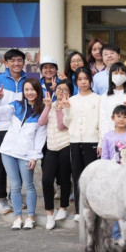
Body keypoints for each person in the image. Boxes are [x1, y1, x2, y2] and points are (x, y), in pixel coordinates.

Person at [0, 78, 47, 230]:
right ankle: (17, 217)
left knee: (29, 186)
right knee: (15, 186)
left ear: (38, 91)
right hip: (8, 151)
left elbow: (40, 136)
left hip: (26, 154)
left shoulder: (42, 111)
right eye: (26, 90)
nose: (29, 93)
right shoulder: (16, 105)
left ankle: (31, 217)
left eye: (32, 89)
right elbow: (1, 112)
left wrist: (35, 156)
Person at [0, 49, 27, 215]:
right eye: (12, 61)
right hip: (1, 129)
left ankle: (15, 195)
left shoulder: (27, 81)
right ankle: (1, 199)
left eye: (19, 60)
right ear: (6, 63)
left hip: (20, 130)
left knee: (20, 163)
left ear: (24, 62)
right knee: (1, 165)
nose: (16, 64)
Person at [62, 68, 100, 221]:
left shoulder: (98, 99)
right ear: (75, 81)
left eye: (85, 78)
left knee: (92, 177)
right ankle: (79, 210)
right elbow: (66, 123)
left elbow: (101, 122)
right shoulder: (71, 100)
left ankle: (93, 209)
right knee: (77, 175)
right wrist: (66, 109)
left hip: (92, 140)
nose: (83, 82)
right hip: (75, 141)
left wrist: (101, 142)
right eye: (80, 79)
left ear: (90, 80)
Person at [38, 80, 74, 230]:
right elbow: (41, 122)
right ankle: (49, 214)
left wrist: (61, 110)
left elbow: (61, 126)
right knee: (47, 180)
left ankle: (63, 208)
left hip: (65, 145)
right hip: (51, 147)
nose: (61, 92)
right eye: (59, 89)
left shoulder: (70, 106)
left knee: (65, 179)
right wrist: (48, 107)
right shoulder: (50, 104)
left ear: (70, 93)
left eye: (65, 90)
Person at [100, 104, 126, 242]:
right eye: (118, 116)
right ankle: (115, 234)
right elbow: (105, 157)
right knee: (116, 207)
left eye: (125, 117)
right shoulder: (108, 136)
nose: (121, 119)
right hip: (114, 177)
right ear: (112, 118)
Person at [98, 62, 126, 150]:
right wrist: (102, 142)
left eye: (122, 73)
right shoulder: (105, 96)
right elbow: (103, 120)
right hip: (110, 138)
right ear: (111, 76)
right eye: (115, 73)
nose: (119, 76)